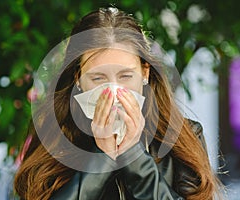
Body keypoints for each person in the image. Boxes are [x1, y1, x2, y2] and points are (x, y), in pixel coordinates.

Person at [14, 7, 223, 200]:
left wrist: (133, 155)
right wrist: (101, 157)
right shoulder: (54, 136)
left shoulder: (182, 137)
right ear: (78, 78)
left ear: (145, 73)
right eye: (98, 79)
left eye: (125, 76)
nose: (113, 92)